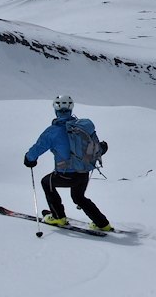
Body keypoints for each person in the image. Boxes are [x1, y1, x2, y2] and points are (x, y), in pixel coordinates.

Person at [23, 94, 112, 231]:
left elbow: (37, 149)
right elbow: (94, 147)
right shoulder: (81, 128)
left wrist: (29, 159)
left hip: (66, 175)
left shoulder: (52, 132)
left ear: (56, 110)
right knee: (78, 197)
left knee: (47, 183)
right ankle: (103, 224)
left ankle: (58, 217)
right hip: (83, 172)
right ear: (71, 109)